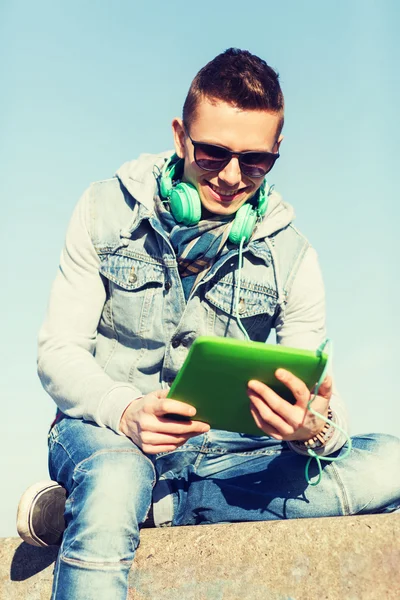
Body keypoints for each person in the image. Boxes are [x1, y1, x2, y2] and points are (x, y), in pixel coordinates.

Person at [17, 48, 400, 600]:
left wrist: (310, 427)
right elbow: (58, 352)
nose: (229, 176)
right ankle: (118, 496)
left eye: (254, 161)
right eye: (212, 152)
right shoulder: (103, 209)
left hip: (227, 453)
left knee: (387, 461)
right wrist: (125, 411)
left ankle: (146, 507)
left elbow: (315, 400)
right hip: (104, 433)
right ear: (180, 136)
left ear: (276, 152)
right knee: (118, 476)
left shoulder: (294, 257)